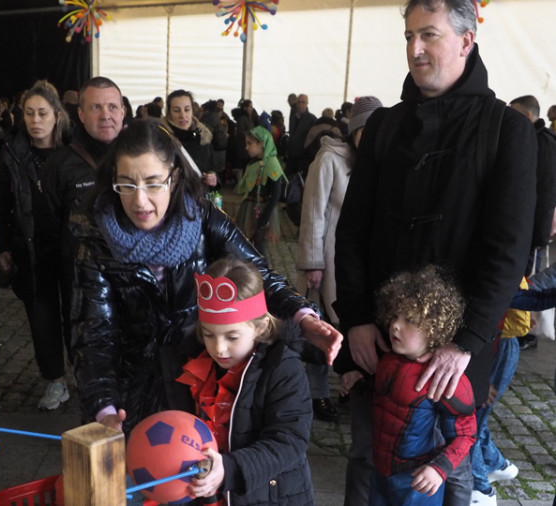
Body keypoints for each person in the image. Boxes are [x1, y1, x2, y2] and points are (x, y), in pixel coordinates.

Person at [333, 0, 537, 504]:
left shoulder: (507, 131)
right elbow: (353, 229)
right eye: (408, 36)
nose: (415, 49)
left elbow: (508, 251)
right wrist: (357, 317)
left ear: (467, 41)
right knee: (366, 457)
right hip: (381, 336)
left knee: (452, 469)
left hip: (457, 350)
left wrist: (463, 341)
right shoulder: (383, 127)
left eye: (429, 35)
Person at [70, 119, 342, 433]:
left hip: (206, 375)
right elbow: (93, 333)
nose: (140, 200)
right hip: (133, 388)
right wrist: (104, 405)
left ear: (174, 177)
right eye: (127, 185)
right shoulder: (96, 237)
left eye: (153, 182)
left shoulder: (200, 215)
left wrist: (302, 315)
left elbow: (258, 274)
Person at [178, 258, 314, 505]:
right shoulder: (190, 358)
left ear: (260, 327)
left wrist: (230, 469)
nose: (218, 348)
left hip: (267, 496)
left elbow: (289, 441)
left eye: (232, 336)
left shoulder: (283, 367)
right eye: (208, 334)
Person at [296, 95, 383, 422]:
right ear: (354, 130)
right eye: (365, 130)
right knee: (323, 330)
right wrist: (312, 262)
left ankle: (352, 385)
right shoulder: (329, 160)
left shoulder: (377, 162)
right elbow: (313, 213)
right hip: (329, 259)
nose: (370, 137)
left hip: (363, 262)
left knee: (358, 326)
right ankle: (316, 394)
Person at [41, 76, 125, 409]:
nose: (106, 115)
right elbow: (47, 228)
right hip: (80, 283)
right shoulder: (60, 165)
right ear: (81, 114)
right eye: (96, 107)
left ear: (123, 111)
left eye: (113, 106)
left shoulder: (139, 154)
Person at [0, 80, 70, 410]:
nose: (36, 120)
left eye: (43, 113)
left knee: (76, 316)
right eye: (29, 113)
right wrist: (2, 247)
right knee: (42, 318)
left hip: (69, 250)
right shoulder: (12, 154)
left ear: (57, 116)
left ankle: (89, 377)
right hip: (31, 252)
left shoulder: (71, 152)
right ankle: (55, 380)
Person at [370, 266, 476, 505]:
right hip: (380, 474)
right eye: (394, 316)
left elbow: (465, 434)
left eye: (409, 320)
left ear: (434, 328)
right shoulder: (387, 360)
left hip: (417, 481)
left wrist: (439, 468)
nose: (395, 326)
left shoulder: (446, 378)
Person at [468, 277, 525, 505]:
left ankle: (479, 489)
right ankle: (495, 463)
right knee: (474, 419)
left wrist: (481, 379)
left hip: (495, 344)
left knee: (469, 421)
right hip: (497, 343)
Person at [509, 95, 556, 351]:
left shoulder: (543, 144)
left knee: (527, 280)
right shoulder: (534, 140)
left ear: (528, 116)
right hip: (528, 227)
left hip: (531, 229)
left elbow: (547, 192)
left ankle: (522, 329)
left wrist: (540, 232)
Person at [235, 125, 285, 254]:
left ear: (261, 144)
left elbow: (276, 193)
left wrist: (265, 217)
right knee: (245, 242)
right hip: (249, 207)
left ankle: (262, 272)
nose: (246, 147)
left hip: (262, 209)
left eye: (249, 143)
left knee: (259, 245)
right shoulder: (252, 163)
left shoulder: (272, 163)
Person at [163, 89, 219, 188]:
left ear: (192, 110)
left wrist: (213, 178)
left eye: (187, 109)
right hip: (172, 200)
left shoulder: (203, 137)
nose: (183, 115)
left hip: (200, 199)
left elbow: (212, 167)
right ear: (169, 113)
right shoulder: (161, 139)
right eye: (176, 110)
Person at [287, 94, 317, 176]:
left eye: (303, 102)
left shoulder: (312, 119)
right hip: (292, 154)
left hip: (303, 155)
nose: (300, 104)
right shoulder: (293, 117)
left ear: (307, 103)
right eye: (299, 102)